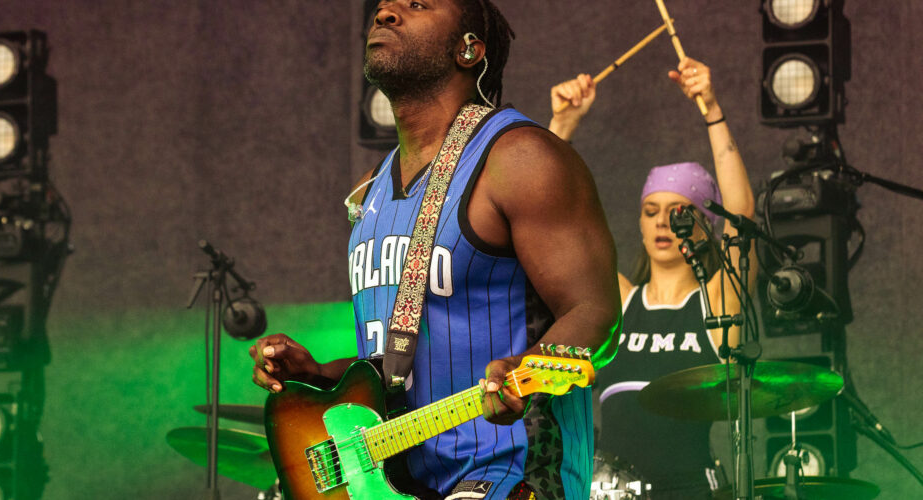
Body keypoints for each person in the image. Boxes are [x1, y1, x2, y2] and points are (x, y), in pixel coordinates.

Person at [250, 1, 621, 499]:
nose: (386, 13)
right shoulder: (370, 192)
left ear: (468, 48)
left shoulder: (521, 159)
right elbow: (397, 367)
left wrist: (531, 364)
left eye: (417, 4)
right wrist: (319, 376)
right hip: (400, 479)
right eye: (383, 6)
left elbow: (594, 310)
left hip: (510, 470)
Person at [548, 59, 756, 499]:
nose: (663, 222)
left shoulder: (717, 303)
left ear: (705, 224)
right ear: (640, 225)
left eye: (679, 213)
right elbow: (550, 226)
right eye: (651, 211)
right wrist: (560, 127)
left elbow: (742, 219)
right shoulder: (619, 300)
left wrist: (712, 110)